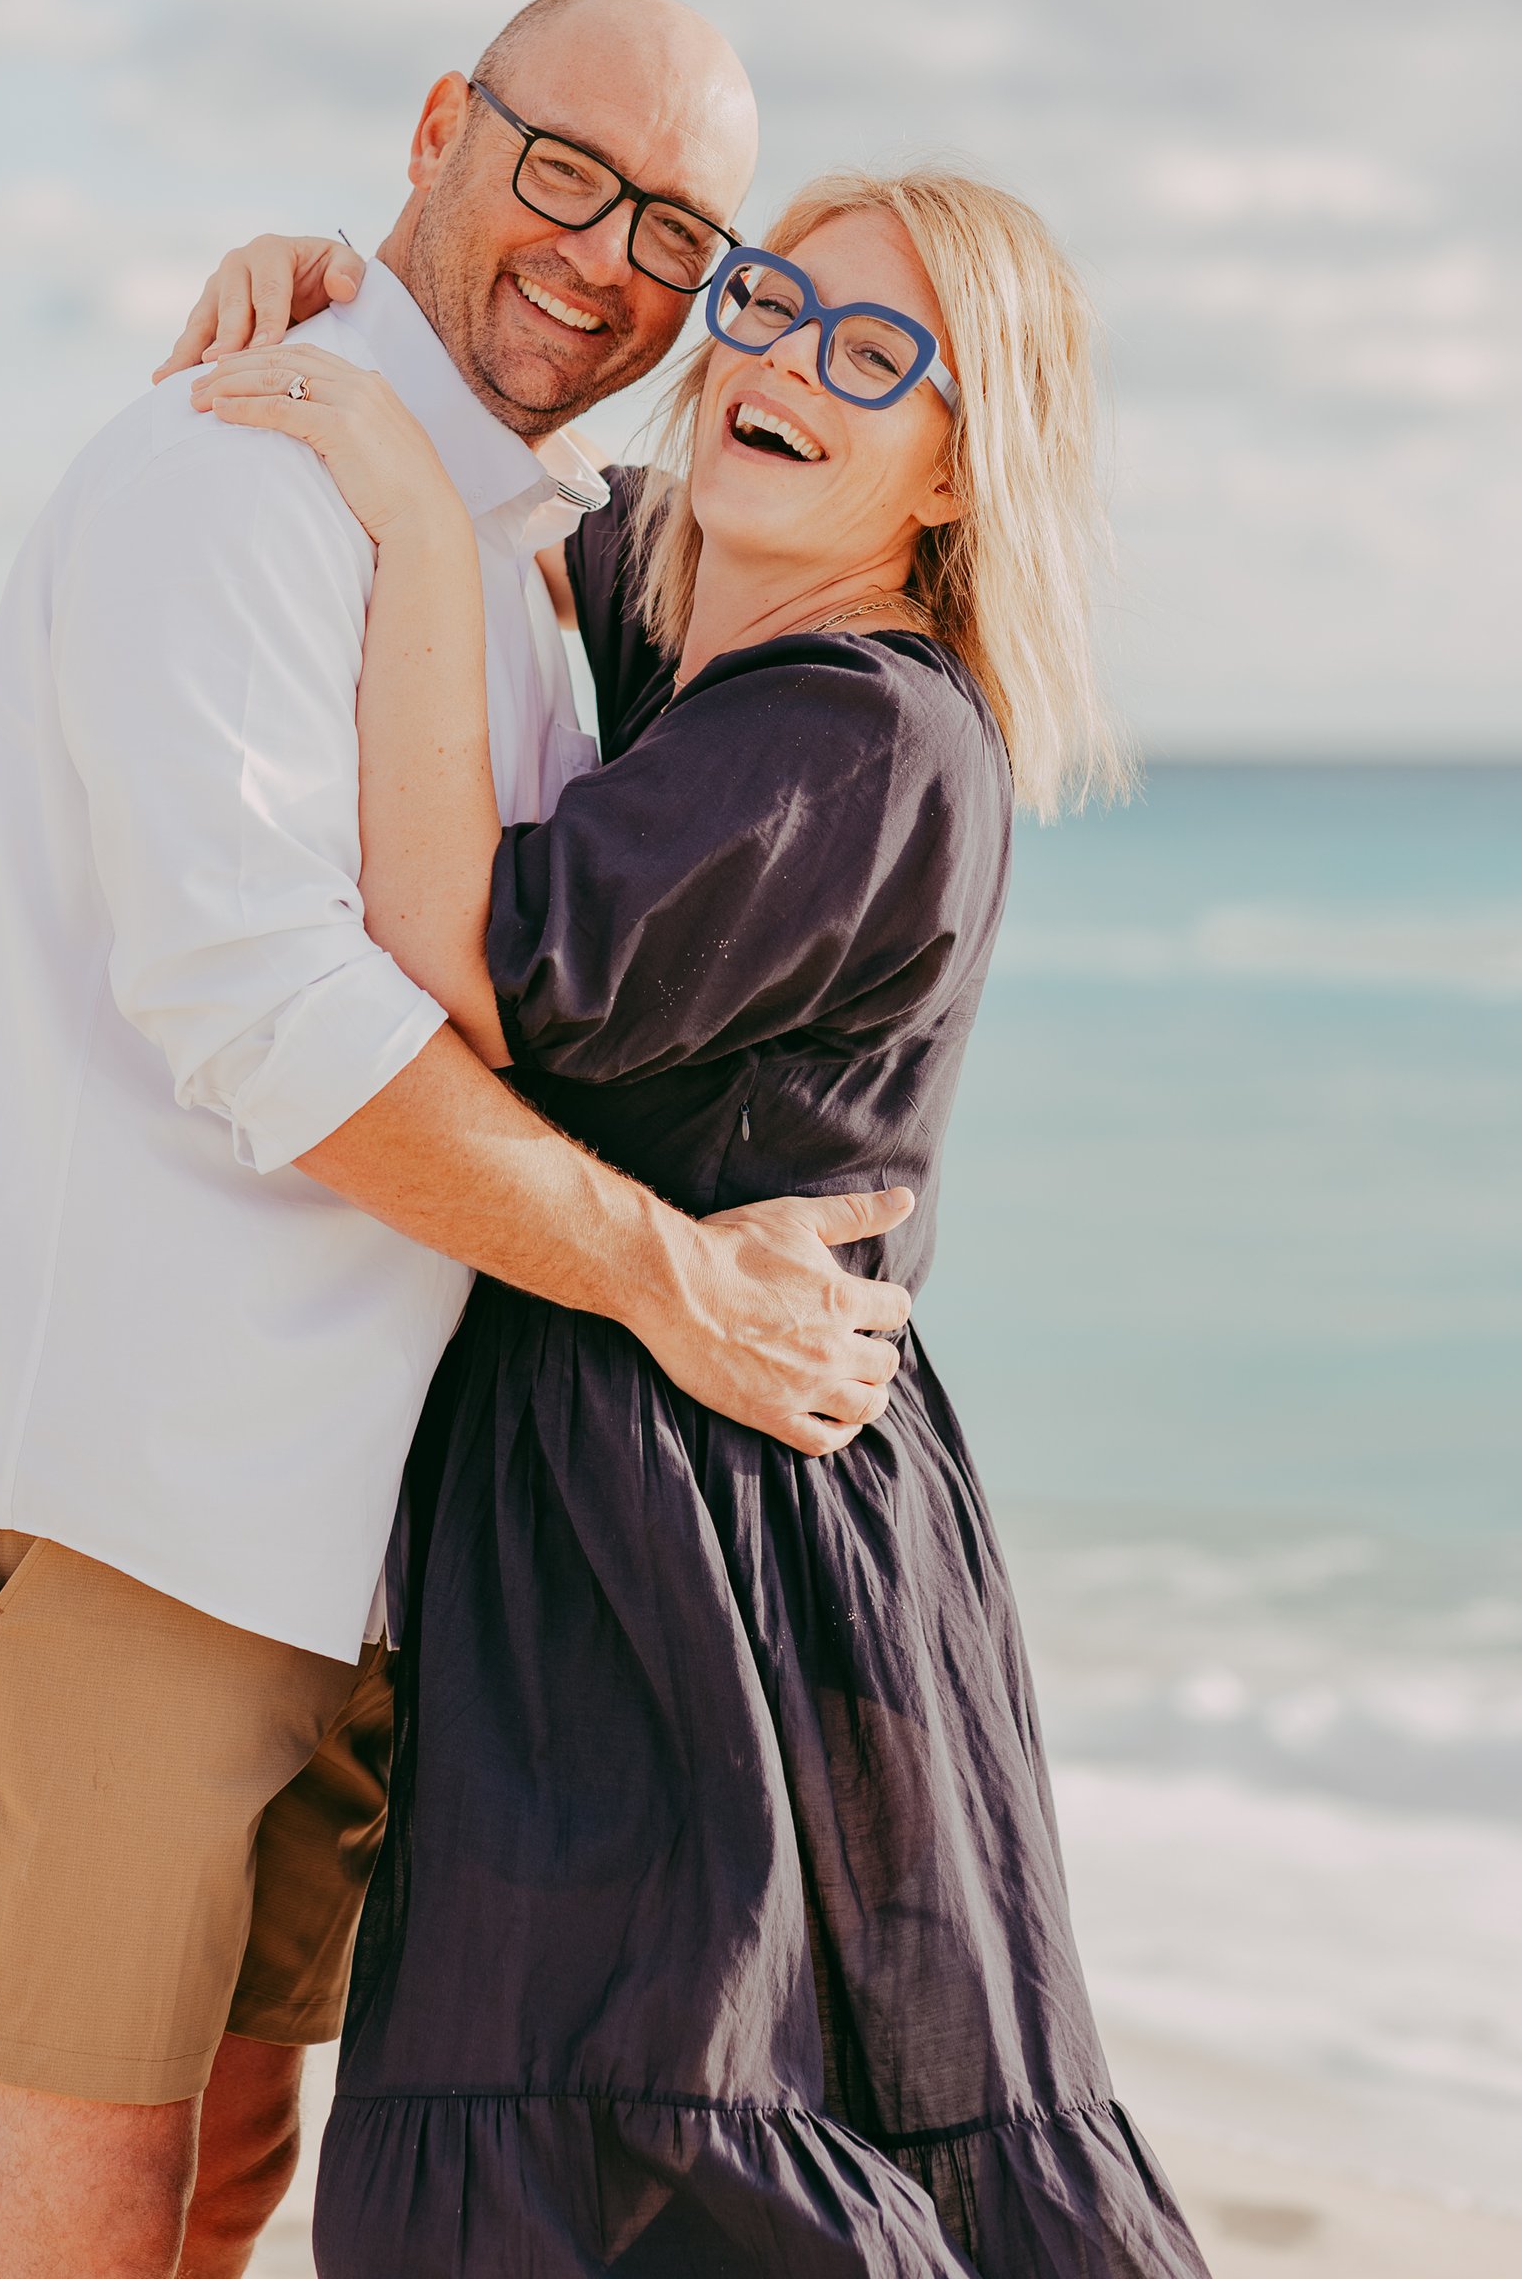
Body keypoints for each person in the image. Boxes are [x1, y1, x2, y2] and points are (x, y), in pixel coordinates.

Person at [0, 0, 920, 2279]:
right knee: (68, 2207)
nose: (603, 259)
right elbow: (269, 1010)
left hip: (335, 1537)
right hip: (93, 1496)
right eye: (562, 170)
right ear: (439, 128)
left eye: (676, 230)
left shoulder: (526, 547)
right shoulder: (234, 470)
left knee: (219, 2179)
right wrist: (668, 1280)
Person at [184, 174, 1209, 2275]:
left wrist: (406, 514)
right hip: (652, 1473)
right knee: (637, 2148)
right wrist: (341, 290)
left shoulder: (857, 726)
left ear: (955, 473)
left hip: (713, 1519)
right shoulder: (705, 627)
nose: (785, 360)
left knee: (654, 2155)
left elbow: (480, 956)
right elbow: (540, 480)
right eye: (768, 300)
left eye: (875, 354)